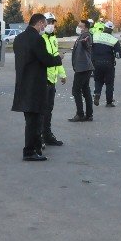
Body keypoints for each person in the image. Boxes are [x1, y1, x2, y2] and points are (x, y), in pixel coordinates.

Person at [12, 13, 63, 160]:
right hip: (35, 86)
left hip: (23, 83)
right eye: (44, 25)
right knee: (35, 121)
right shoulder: (37, 39)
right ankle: (30, 151)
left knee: (30, 121)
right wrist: (59, 58)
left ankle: (35, 149)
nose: (45, 28)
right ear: (40, 23)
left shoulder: (19, 39)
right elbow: (46, 60)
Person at [41, 12, 66, 146]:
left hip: (52, 80)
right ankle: (40, 137)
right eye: (48, 22)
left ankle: (47, 135)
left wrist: (62, 74)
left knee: (49, 109)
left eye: (52, 22)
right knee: (42, 110)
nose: (51, 25)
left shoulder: (53, 38)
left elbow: (56, 56)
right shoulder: (41, 38)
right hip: (43, 79)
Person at [92, 21, 121, 107]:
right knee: (109, 83)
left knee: (98, 80)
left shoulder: (95, 36)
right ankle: (109, 102)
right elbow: (118, 55)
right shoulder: (114, 40)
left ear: (104, 28)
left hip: (96, 63)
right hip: (108, 64)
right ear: (111, 30)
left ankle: (97, 93)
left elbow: (90, 47)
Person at [69, 19, 94, 122]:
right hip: (84, 67)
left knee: (76, 90)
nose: (78, 28)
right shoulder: (82, 36)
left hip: (83, 68)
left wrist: (84, 43)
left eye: (81, 26)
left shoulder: (86, 36)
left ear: (86, 28)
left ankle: (80, 114)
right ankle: (89, 115)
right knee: (85, 90)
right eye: (78, 26)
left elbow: (87, 45)